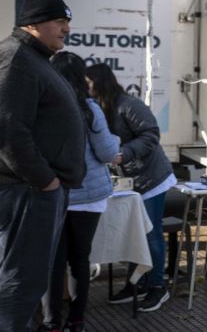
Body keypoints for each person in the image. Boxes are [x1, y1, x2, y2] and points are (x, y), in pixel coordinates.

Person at [0, 0, 86, 331]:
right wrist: (45, 181)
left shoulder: (32, 58)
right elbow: (7, 129)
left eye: (67, 21)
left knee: (26, 281)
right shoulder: (15, 58)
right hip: (28, 192)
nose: (66, 28)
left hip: (36, 192)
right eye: (59, 21)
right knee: (20, 282)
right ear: (33, 24)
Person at [85, 63, 176, 312]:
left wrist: (125, 154)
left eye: (89, 84)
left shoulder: (128, 104)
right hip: (126, 182)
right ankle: (137, 283)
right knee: (131, 233)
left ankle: (158, 286)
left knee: (151, 234)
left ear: (100, 83)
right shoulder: (96, 107)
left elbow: (151, 134)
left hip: (151, 179)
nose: (85, 89)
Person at [41, 52, 120, 332]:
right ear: (80, 76)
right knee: (80, 261)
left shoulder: (43, 105)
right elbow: (108, 152)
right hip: (88, 198)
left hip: (53, 193)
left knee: (54, 261)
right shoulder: (89, 108)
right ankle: (77, 320)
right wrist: (117, 141)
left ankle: (51, 322)